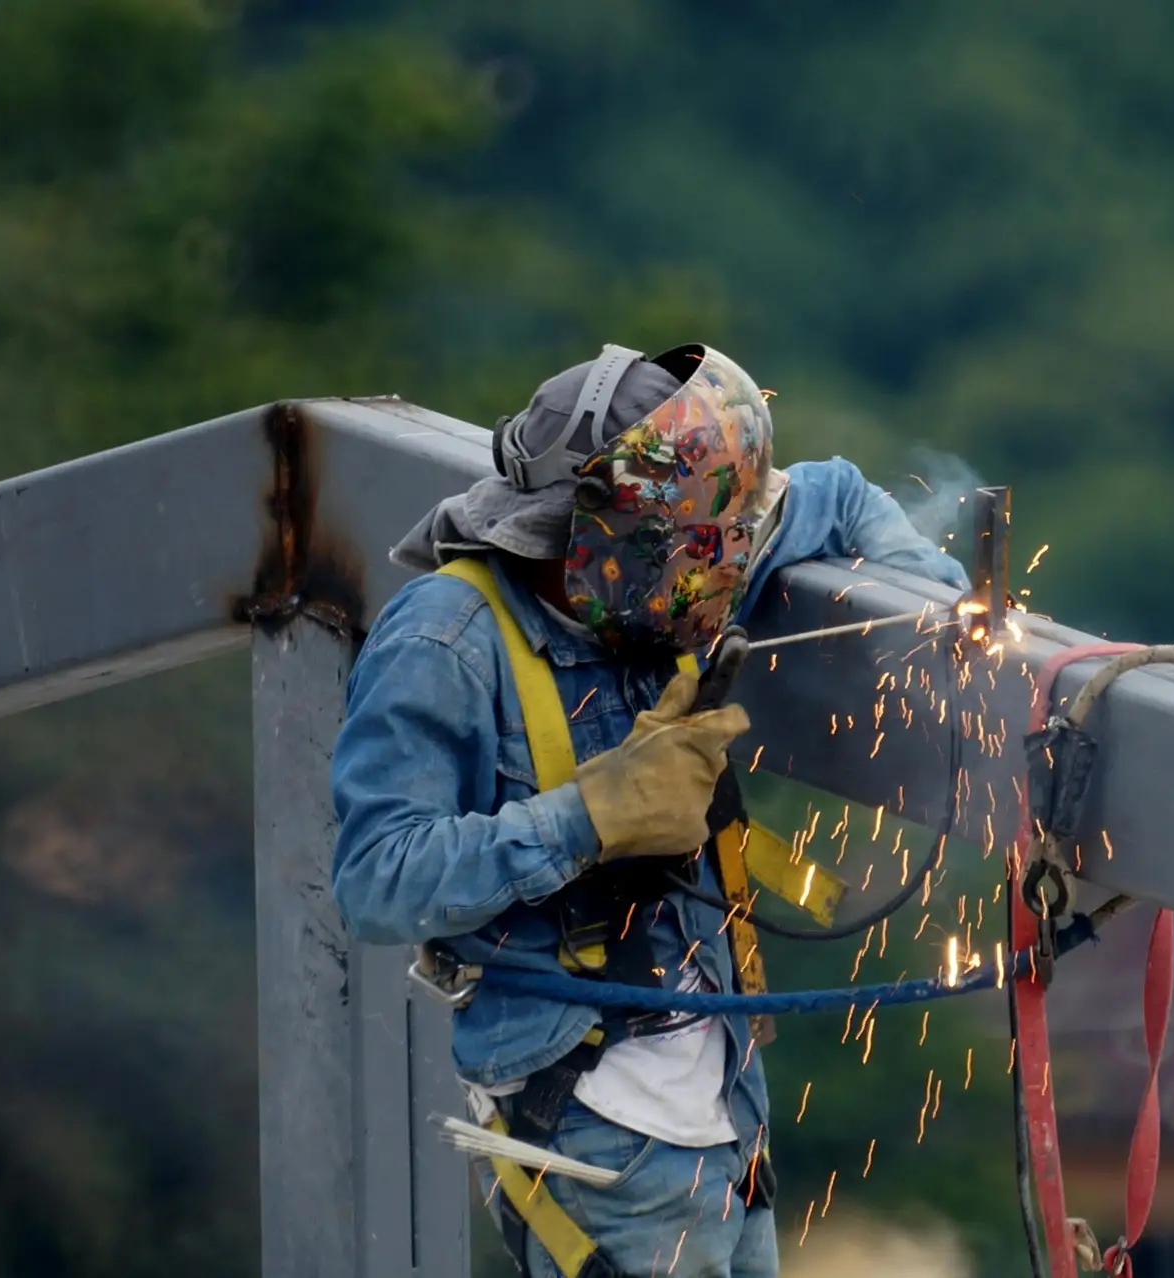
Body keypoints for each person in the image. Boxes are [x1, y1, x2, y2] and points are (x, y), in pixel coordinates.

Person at [329, 342, 970, 1277]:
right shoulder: (446, 640)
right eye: (700, 552)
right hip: (594, 1136)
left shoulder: (674, 555)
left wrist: (929, 602)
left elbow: (831, 495)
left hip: (727, 1113)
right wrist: (587, 817)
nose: (724, 573)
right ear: (601, 535)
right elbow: (376, 881)